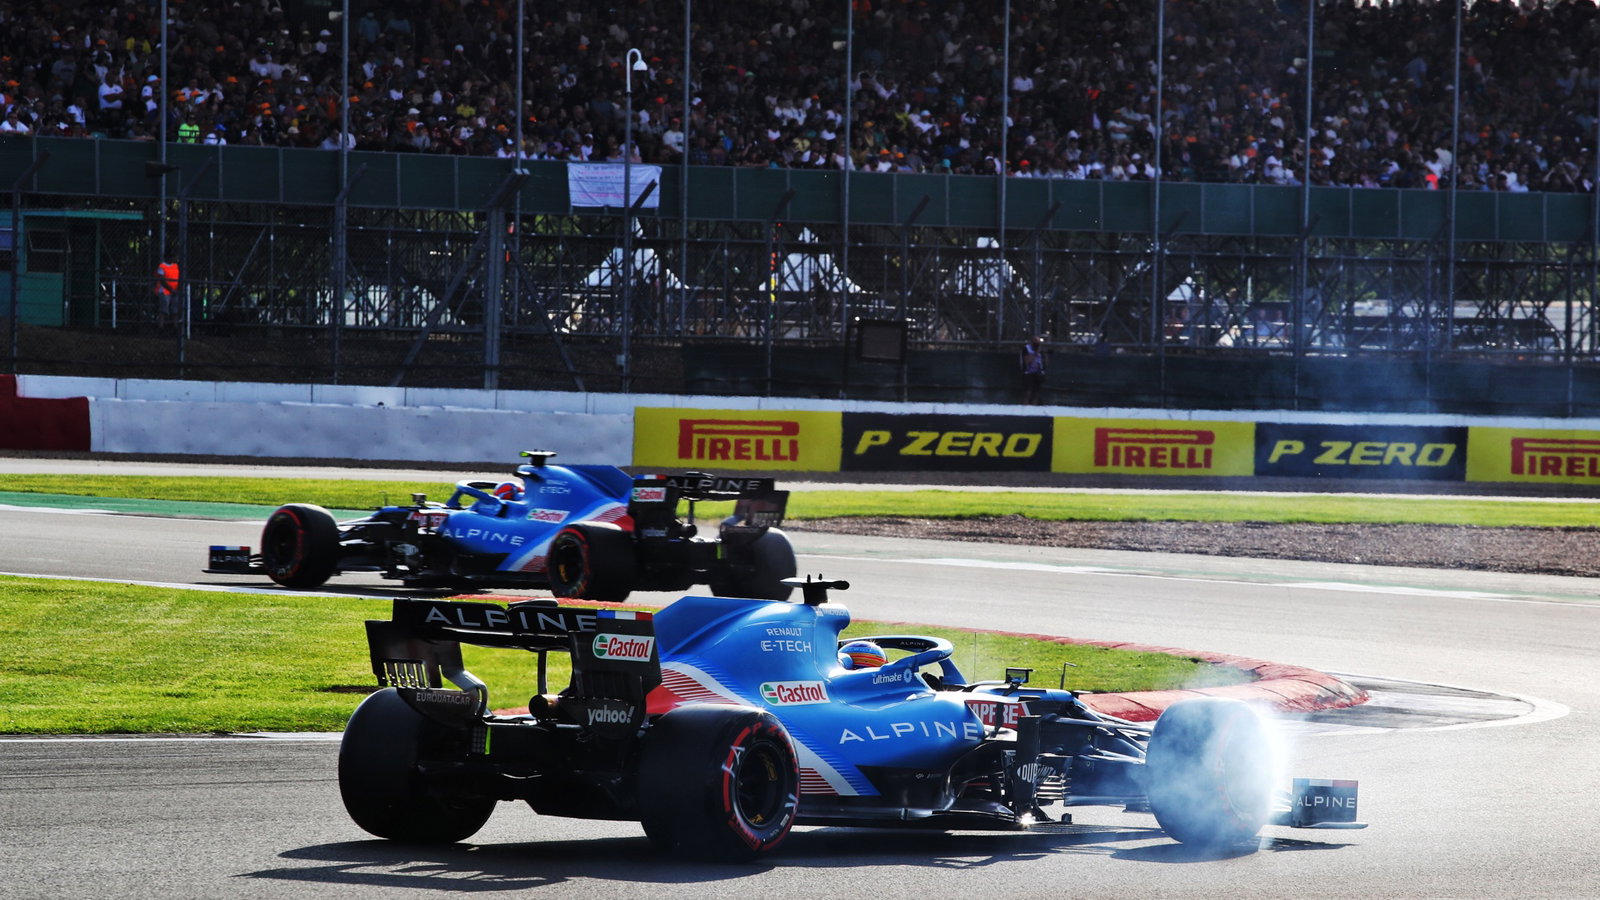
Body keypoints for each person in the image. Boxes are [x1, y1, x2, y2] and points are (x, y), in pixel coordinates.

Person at [1019, 334, 1047, 405]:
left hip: (1038, 372)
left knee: (1036, 392)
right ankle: (1026, 407)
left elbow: (1044, 361)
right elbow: (1027, 361)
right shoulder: (1026, 349)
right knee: (1028, 392)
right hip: (1028, 373)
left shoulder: (1041, 350)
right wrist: (1036, 353)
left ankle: (1034, 407)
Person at [153, 255, 179, 327]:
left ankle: (175, 327)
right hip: (165, 291)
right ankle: (161, 327)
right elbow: (162, 280)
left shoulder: (176, 266)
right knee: (163, 310)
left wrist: (176, 289)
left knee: (175, 311)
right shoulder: (162, 266)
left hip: (175, 291)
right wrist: (170, 289)